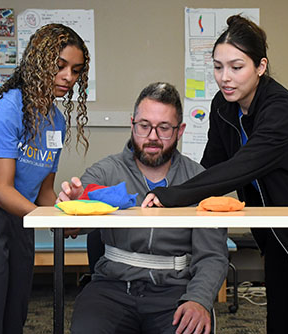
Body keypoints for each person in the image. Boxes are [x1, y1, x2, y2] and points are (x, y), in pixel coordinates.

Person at [142, 15, 288, 334]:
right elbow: (211, 167)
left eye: (236, 67)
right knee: (280, 319)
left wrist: (170, 197)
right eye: (218, 67)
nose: (225, 77)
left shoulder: (280, 109)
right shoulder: (223, 106)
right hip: (278, 225)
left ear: (261, 66)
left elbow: (241, 167)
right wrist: (166, 193)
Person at [0, 23, 90, 334]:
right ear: (38, 61)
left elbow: (44, 192)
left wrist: (66, 216)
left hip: (19, 220)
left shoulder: (56, 121)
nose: (68, 77)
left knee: (13, 320)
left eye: (75, 70)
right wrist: (51, 219)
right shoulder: (6, 107)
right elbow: (2, 189)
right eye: (60, 66)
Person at [57, 82, 229, 334]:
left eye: (164, 128)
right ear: (132, 124)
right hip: (111, 288)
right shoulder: (105, 171)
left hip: (175, 291)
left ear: (180, 130)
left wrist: (198, 299)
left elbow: (212, 255)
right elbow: (72, 225)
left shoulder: (199, 180)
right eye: (144, 126)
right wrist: (70, 212)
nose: (152, 137)